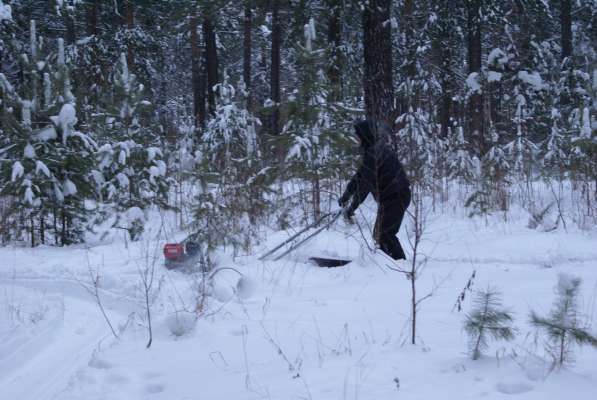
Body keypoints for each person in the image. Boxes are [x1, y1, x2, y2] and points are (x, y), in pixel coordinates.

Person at [338, 119, 411, 260]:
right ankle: (391, 263)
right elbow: (359, 177)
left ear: (364, 136)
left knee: (384, 234)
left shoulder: (374, 153)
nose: (356, 139)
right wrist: (346, 196)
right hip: (392, 197)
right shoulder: (373, 151)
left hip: (396, 196)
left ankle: (399, 265)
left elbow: (365, 185)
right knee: (380, 234)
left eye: (357, 136)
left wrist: (352, 208)